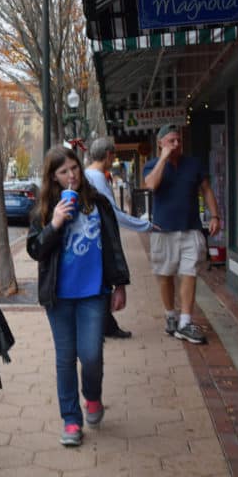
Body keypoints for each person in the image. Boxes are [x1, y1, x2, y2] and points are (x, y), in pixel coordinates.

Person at [27, 146, 130, 447]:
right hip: (58, 295)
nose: (71, 175)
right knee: (65, 358)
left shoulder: (97, 203)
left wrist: (120, 285)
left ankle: (93, 397)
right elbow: (36, 250)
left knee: (91, 355)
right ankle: (71, 420)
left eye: (74, 168)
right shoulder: (44, 209)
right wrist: (55, 223)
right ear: (53, 177)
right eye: (63, 171)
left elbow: (113, 246)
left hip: (94, 292)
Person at [142, 124, 221, 345]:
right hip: (162, 230)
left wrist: (215, 216)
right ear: (160, 143)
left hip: (191, 228)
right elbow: (151, 185)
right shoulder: (151, 166)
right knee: (165, 275)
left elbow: (206, 189)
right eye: (171, 141)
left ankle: (185, 322)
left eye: (178, 141)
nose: (176, 144)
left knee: (189, 273)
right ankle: (170, 316)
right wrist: (163, 159)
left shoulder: (193, 164)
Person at [85, 137, 156, 339]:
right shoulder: (97, 178)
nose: (114, 158)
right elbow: (113, 213)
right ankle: (102, 326)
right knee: (103, 281)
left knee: (101, 282)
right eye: (113, 155)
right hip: (100, 237)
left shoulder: (90, 175)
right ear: (108, 155)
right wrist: (146, 225)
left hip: (94, 237)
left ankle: (106, 325)